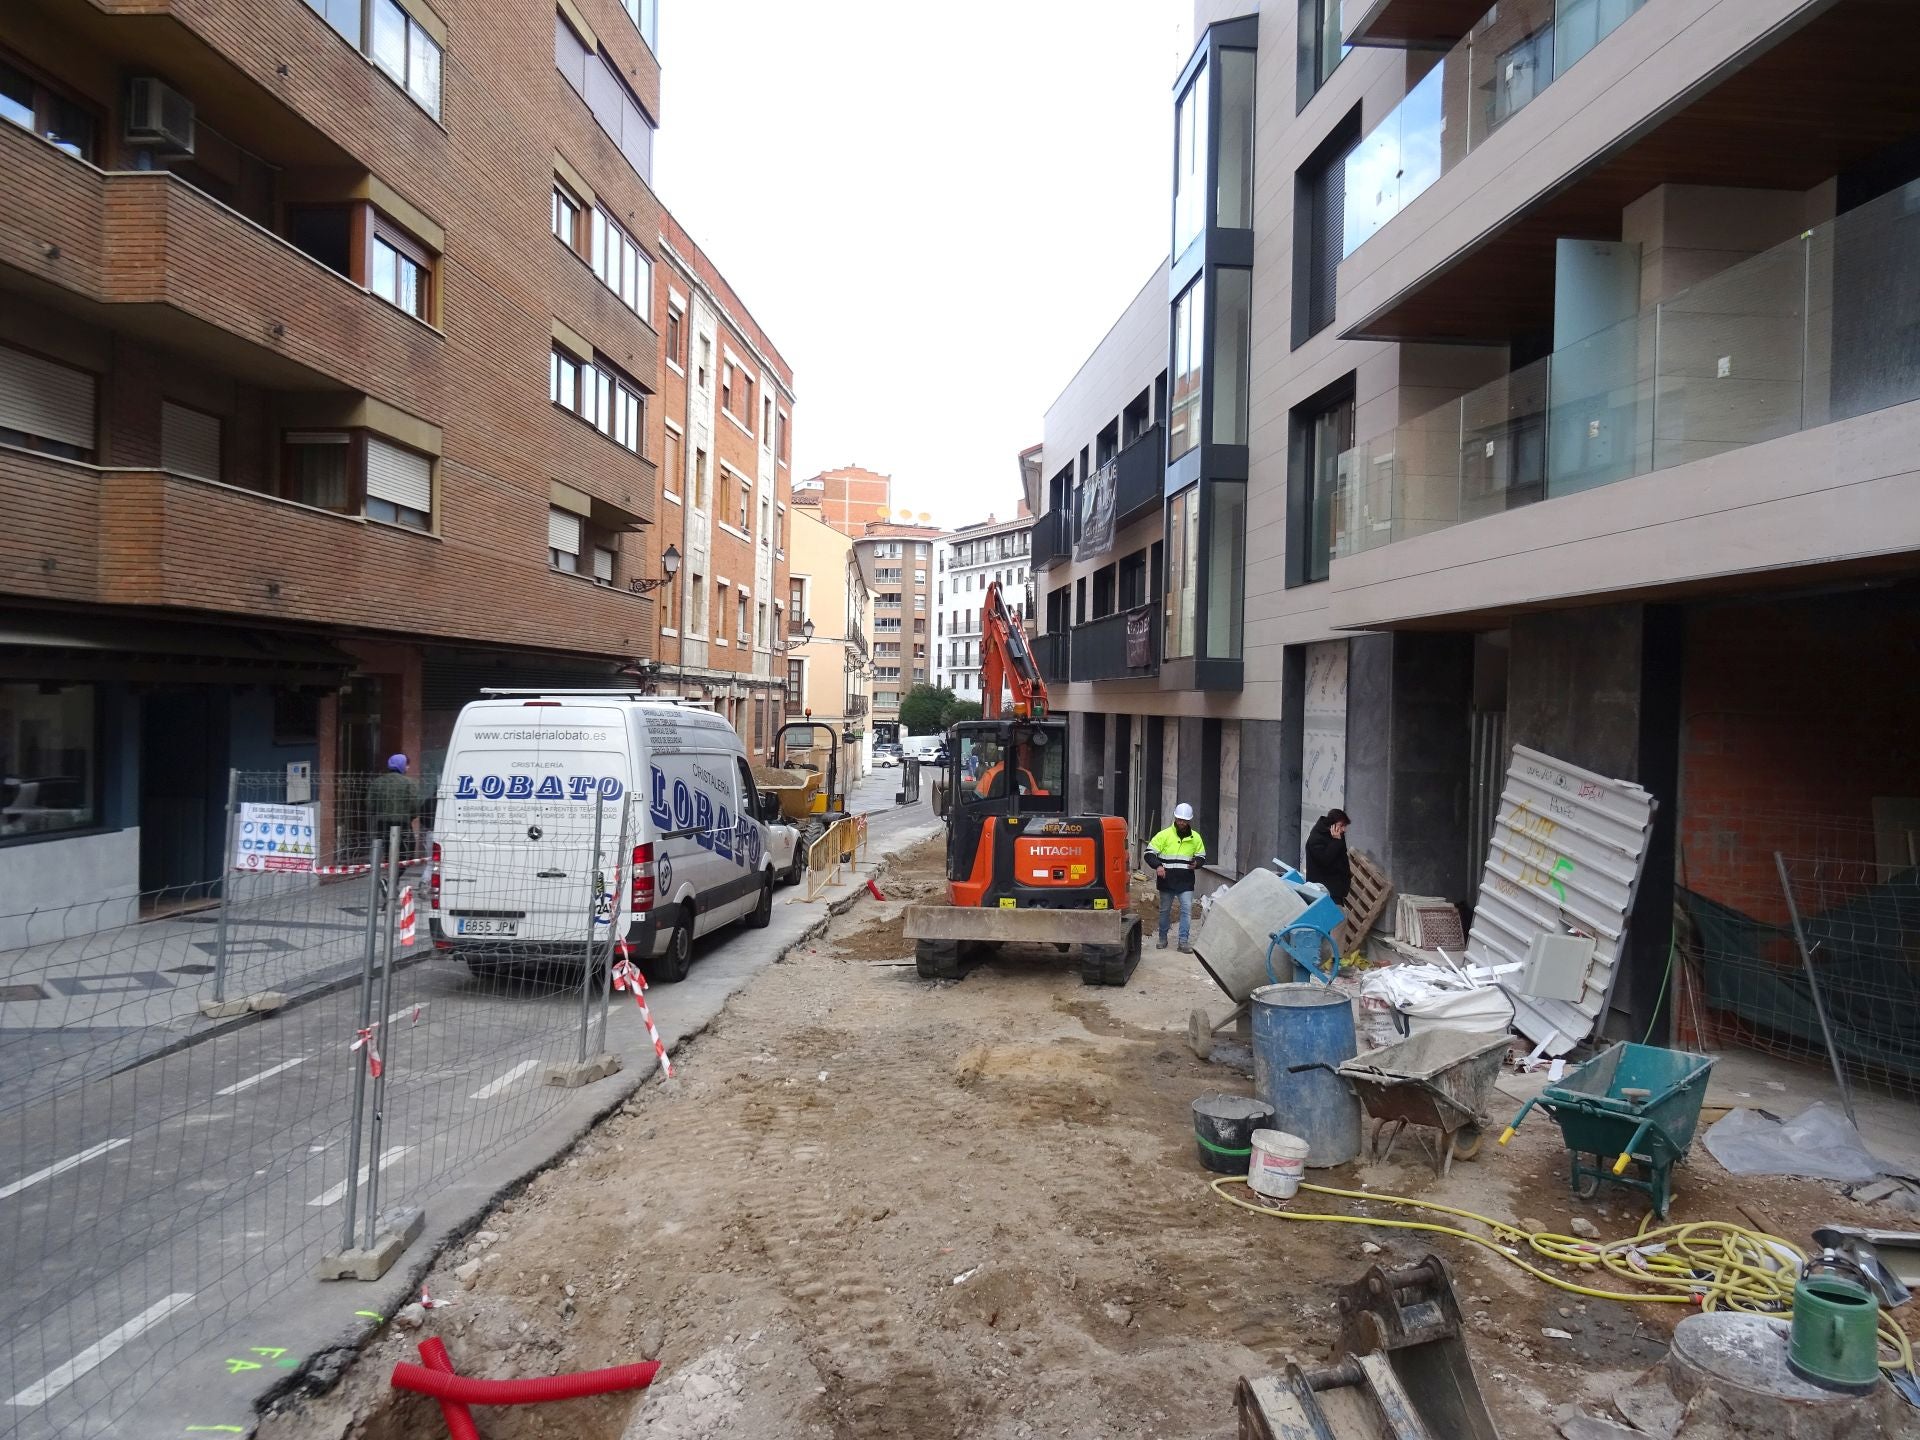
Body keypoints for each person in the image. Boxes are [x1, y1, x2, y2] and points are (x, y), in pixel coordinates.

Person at [1145, 802, 1208, 953]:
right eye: (1180, 819)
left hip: (1185, 881)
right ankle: (1162, 938)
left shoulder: (1195, 838)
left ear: (1189, 821)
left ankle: (1183, 942)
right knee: (1165, 910)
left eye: (1185, 820)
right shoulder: (1164, 835)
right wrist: (1158, 866)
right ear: (1175, 817)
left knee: (1186, 910)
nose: (1182, 822)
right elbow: (1148, 853)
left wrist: (1197, 863)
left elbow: (1201, 856)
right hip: (1167, 880)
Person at [368, 753, 422, 862]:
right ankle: (393, 878)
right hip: (403, 823)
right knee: (407, 854)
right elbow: (414, 804)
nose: (408, 767)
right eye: (407, 765)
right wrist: (411, 816)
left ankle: (390, 877)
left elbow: (370, 804)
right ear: (402, 765)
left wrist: (379, 813)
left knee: (388, 852)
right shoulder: (409, 783)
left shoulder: (378, 782)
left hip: (382, 823)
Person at [1304, 808, 1353, 906]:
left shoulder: (1338, 836)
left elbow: (1342, 858)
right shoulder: (1316, 838)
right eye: (1342, 825)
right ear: (1332, 824)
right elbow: (1324, 860)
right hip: (1324, 891)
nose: (1344, 829)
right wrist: (1336, 842)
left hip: (1338, 890)